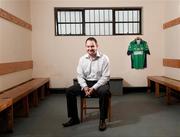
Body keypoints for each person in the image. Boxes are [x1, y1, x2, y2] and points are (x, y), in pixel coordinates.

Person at [62, 37, 111, 131]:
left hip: (100, 83)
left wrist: (93, 88)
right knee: (69, 91)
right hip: (86, 82)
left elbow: (105, 77)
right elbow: (80, 76)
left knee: (104, 92)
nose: (90, 48)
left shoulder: (104, 58)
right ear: (86, 47)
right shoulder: (82, 59)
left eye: (92, 46)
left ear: (97, 46)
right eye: (88, 46)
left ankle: (102, 120)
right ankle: (74, 118)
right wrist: (85, 87)